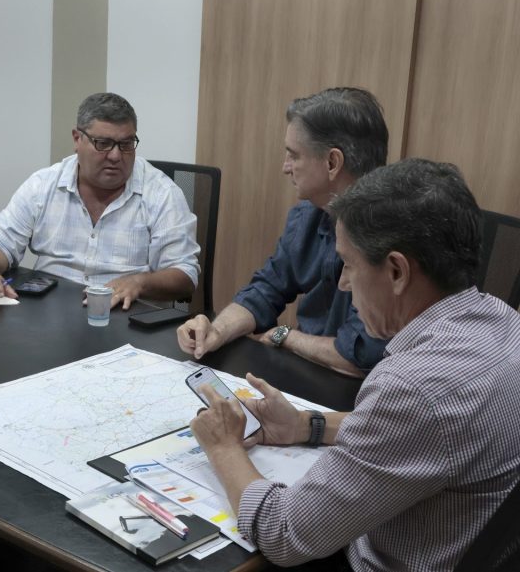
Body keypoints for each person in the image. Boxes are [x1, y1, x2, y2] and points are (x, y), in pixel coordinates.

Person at [189, 159, 520, 571]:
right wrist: (306, 425)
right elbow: (423, 434)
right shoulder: (506, 323)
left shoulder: (413, 387)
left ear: (396, 271)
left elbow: (283, 533)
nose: (344, 283)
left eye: (348, 263)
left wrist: (223, 447)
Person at [178, 87, 389, 377]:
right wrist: (217, 330)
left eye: (293, 155)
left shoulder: (389, 235)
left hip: (361, 391)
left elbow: (362, 355)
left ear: (332, 162)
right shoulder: (308, 215)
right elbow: (266, 289)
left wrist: (285, 336)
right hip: (307, 372)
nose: (285, 168)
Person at [0, 92, 200, 310]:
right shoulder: (43, 184)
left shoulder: (162, 193)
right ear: (77, 139)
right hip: (49, 312)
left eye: (126, 144)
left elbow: (185, 274)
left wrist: (139, 283)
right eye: (103, 143)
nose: (115, 156)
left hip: (125, 316)